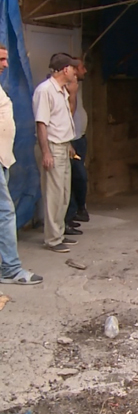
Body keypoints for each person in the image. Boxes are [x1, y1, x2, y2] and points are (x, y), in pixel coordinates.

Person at [0, 43, 43, 283]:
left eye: (6, 59)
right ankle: (10, 269)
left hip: (3, 160)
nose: (5, 64)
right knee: (5, 213)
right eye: (1, 59)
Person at [33, 53, 79, 253]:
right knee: (53, 194)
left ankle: (59, 233)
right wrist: (46, 152)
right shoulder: (45, 91)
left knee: (63, 193)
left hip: (63, 145)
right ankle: (52, 239)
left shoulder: (61, 90)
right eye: (73, 68)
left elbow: (61, 120)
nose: (76, 72)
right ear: (65, 69)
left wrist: (68, 144)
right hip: (52, 147)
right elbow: (42, 123)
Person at [63, 57, 89, 236]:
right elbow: (66, 115)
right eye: (81, 67)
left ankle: (75, 212)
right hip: (70, 140)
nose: (84, 71)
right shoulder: (63, 89)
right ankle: (70, 214)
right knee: (76, 176)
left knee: (76, 176)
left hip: (80, 137)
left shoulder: (76, 86)